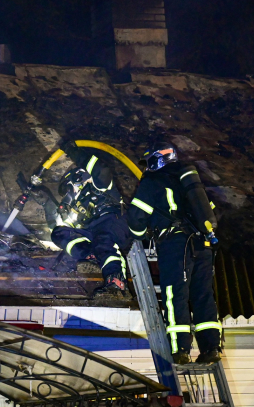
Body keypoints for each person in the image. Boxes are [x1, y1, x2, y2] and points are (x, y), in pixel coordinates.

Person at [126, 141, 222, 364]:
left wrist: (142, 235)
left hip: (175, 244)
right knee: (203, 294)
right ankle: (211, 348)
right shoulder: (189, 180)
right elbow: (209, 210)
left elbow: (136, 218)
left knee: (174, 294)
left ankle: (180, 349)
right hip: (202, 242)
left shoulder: (152, 181)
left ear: (156, 159)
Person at [49, 140, 130, 296]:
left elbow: (101, 169)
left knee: (103, 240)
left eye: (69, 188)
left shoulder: (100, 187)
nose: (69, 194)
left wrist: (73, 151)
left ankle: (116, 283)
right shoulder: (78, 207)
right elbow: (68, 228)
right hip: (92, 229)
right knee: (58, 233)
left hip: (112, 221)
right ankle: (91, 256)